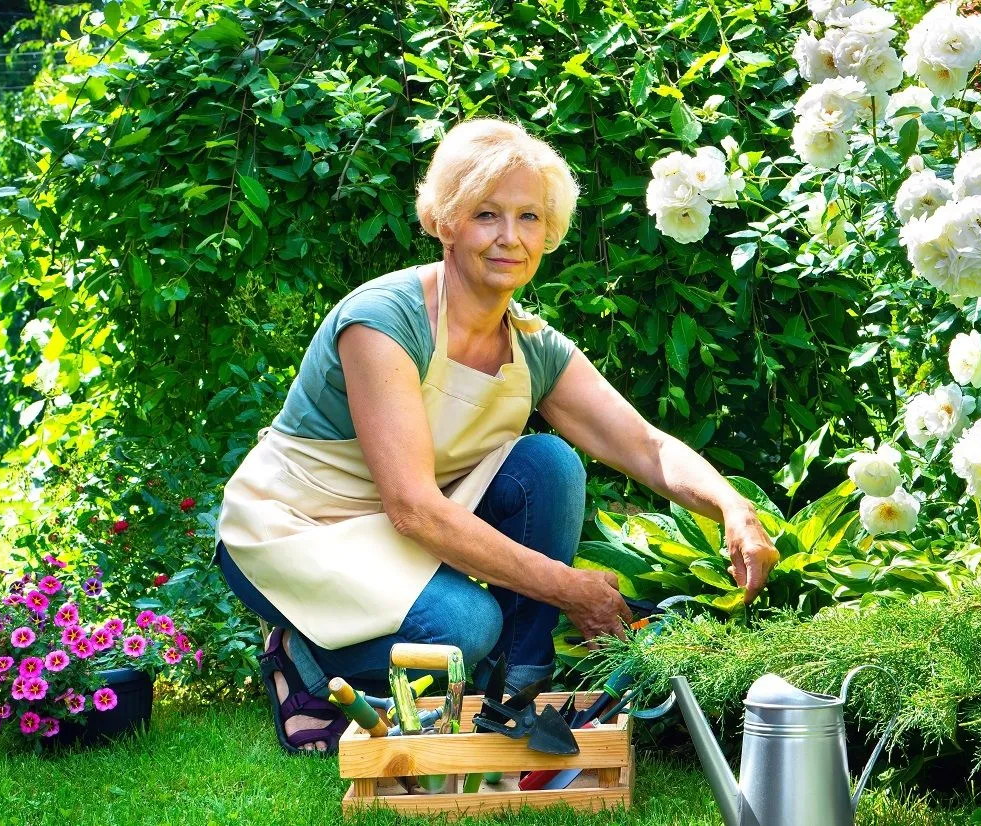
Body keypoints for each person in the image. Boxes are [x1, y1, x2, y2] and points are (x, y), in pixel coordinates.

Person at [214, 118, 779, 754]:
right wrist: (571, 590)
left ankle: (515, 688)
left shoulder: (534, 347)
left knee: (547, 465)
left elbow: (646, 446)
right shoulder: (383, 320)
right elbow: (413, 507)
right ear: (445, 221)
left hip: (400, 531)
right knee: (463, 626)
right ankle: (306, 657)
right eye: (487, 214)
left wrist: (733, 506)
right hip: (298, 530)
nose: (510, 238)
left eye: (529, 217)